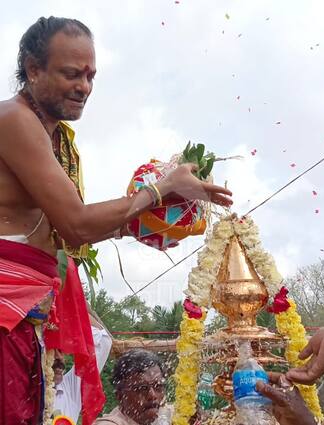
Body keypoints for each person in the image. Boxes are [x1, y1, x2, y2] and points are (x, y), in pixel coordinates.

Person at [0, 17, 232, 425]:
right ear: (33, 69)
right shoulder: (13, 120)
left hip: (27, 312)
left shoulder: (52, 137)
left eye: (91, 75)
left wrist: (144, 224)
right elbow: (76, 224)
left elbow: (65, 234)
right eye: (72, 74)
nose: (84, 87)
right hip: (7, 311)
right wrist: (160, 189)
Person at [53, 316, 113, 423]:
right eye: (50, 352)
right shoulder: (22, 390)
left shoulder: (70, 389)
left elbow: (102, 341)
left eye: (60, 351)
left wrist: (71, 306)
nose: (59, 357)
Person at [94, 349, 168, 425]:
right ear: (120, 396)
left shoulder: (169, 416)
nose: (152, 396)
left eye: (158, 386)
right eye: (142, 388)